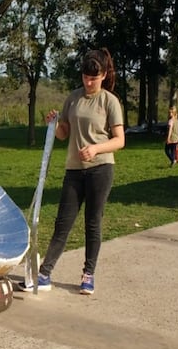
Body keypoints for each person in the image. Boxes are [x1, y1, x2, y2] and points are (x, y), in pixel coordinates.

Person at [26, 48, 125, 296]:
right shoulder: (73, 98)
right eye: (85, 77)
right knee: (63, 223)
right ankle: (45, 273)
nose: (88, 82)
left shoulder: (109, 101)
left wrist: (96, 149)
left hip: (100, 169)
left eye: (93, 78)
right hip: (74, 170)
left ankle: (88, 274)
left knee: (93, 222)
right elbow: (63, 134)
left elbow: (119, 140)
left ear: (103, 75)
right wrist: (54, 124)